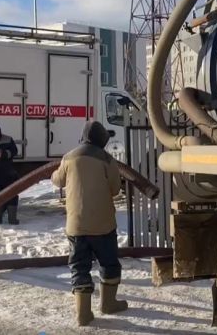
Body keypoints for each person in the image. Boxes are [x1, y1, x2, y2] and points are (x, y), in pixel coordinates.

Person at [51, 121, 127, 326]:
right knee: (109, 264)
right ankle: (108, 304)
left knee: (79, 267)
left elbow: (57, 180)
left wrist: (56, 173)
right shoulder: (107, 159)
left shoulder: (69, 157)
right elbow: (115, 190)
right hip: (103, 224)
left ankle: (83, 314)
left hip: (76, 226)